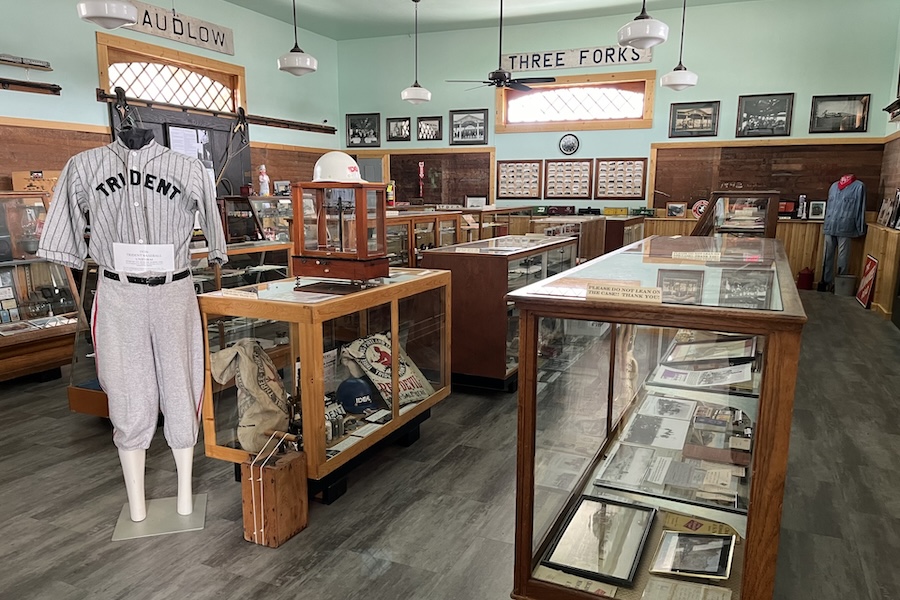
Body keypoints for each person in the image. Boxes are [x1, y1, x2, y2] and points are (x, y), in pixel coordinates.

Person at [37, 127, 228, 522]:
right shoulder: (84, 166)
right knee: (125, 389)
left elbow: (213, 229)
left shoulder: (186, 167)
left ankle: (185, 497)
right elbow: (64, 235)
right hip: (117, 290)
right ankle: (137, 507)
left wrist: (217, 248)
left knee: (182, 382)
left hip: (174, 288)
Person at [821, 174, 866, 291]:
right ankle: (826, 282)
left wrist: (860, 228)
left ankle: (839, 285)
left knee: (843, 257)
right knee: (827, 255)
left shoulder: (858, 187)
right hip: (830, 226)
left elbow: (860, 208)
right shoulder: (834, 186)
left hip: (845, 227)